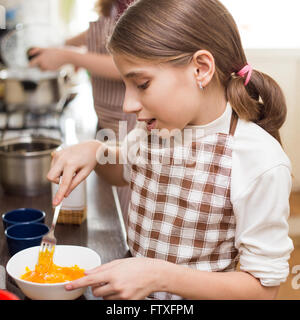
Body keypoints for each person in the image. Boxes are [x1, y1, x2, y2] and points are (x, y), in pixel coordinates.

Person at [47, 0, 293, 300]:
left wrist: (159, 276)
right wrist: (97, 152)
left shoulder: (258, 160)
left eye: (142, 84)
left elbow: (262, 291)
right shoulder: (157, 128)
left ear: (200, 69)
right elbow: (124, 174)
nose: (128, 105)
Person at [29, 0, 136, 220]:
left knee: (129, 206)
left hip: (131, 123)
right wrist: (63, 45)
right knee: (116, 209)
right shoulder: (114, 4)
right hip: (109, 123)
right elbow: (106, 34)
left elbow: (130, 65)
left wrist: (69, 56)